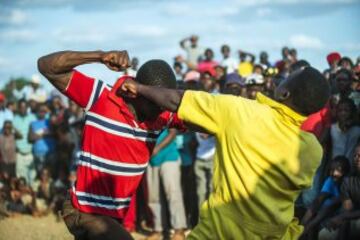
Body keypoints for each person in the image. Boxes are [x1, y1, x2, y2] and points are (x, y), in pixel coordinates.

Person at [120, 66, 330, 239]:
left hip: (220, 233)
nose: (279, 81)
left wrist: (139, 88)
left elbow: (177, 100)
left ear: (284, 93)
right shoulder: (313, 150)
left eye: (286, 79)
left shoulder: (242, 111)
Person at [37, 50, 185, 240]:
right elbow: (46, 66)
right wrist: (99, 56)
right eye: (156, 101)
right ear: (137, 91)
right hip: (83, 210)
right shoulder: (100, 96)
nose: (162, 108)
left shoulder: (161, 115)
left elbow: (203, 113)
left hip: (113, 216)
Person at [146, 129, 187, 240]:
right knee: (153, 197)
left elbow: (173, 132)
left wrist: (157, 148)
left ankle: (179, 230)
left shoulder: (166, 112)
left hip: (169, 157)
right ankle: (157, 230)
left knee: (173, 194)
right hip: (151, 160)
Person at [301, 156, 350, 239]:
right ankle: (302, 230)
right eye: (331, 170)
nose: (333, 173)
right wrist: (303, 224)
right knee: (315, 210)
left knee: (328, 208)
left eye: (338, 170)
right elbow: (319, 200)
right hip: (326, 213)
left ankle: (304, 230)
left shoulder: (349, 184)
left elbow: (335, 205)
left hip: (339, 216)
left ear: (345, 172)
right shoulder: (330, 180)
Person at [323, 144, 360, 239]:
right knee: (324, 235)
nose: (357, 158)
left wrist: (342, 217)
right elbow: (347, 210)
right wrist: (341, 218)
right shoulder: (348, 182)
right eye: (355, 155)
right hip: (353, 218)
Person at [12, 100, 37, 186]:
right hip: (19, 154)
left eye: (24, 107)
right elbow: (12, 135)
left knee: (32, 176)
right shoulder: (14, 119)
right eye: (21, 107)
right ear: (18, 108)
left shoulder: (33, 118)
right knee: (21, 177)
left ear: (27, 107)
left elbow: (37, 133)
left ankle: (31, 196)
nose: (23, 109)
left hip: (30, 153)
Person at [330, 98, 360, 163]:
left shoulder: (357, 130)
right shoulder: (332, 128)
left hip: (351, 167)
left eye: (346, 110)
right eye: (340, 110)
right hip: (334, 166)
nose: (343, 113)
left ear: (351, 112)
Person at [29, 103, 56, 173]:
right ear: (37, 112)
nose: (42, 113)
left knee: (52, 174)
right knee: (40, 174)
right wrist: (45, 134)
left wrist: (38, 135)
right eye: (40, 111)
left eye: (44, 111)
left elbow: (54, 134)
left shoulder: (50, 122)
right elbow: (31, 138)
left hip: (50, 152)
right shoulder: (33, 123)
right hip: (38, 153)